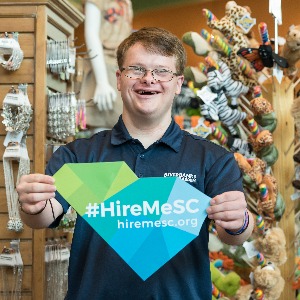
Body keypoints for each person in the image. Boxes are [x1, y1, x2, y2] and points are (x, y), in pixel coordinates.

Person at [17, 27, 254, 299]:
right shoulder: (79, 155)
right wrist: (31, 203)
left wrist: (240, 220)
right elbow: (43, 215)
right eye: (136, 69)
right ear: (119, 79)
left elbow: (232, 234)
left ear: (178, 83)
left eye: (162, 71)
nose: (148, 79)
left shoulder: (212, 158)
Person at [80, 0, 133, 131]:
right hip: (103, 66)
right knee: (103, 128)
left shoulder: (126, 2)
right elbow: (91, 34)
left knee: (124, 129)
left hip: (122, 67)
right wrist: (101, 82)